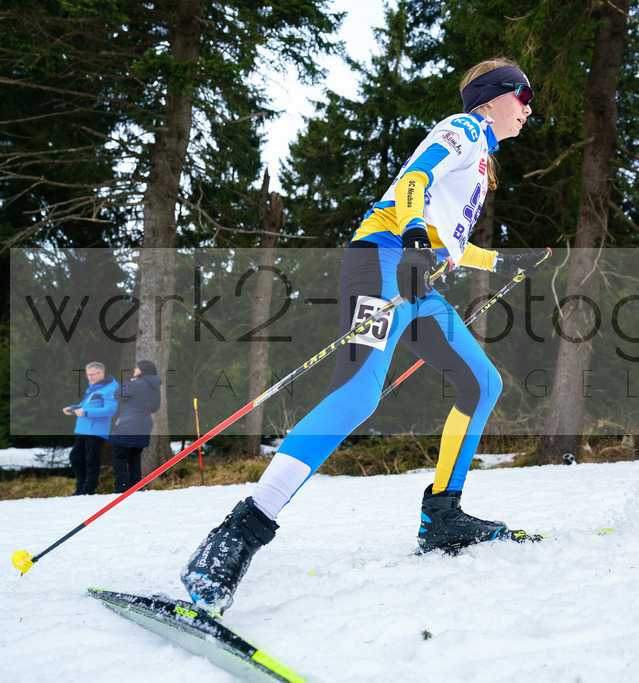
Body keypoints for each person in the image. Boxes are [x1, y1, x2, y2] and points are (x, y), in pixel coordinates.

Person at [180, 57, 550, 611]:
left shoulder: (480, 165)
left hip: (416, 282)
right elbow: (413, 181)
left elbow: (450, 241)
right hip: (383, 263)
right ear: (494, 97)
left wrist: (500, 260)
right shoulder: (465, 128)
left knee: (481, 383)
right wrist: (418, 236)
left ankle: (442, 516)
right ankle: (239, 532)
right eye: (523, 97)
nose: (528, 110)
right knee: (357, 393)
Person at [63, 361, 119, 495]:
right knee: (75, 458)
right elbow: (86, 405)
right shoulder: (94, 388)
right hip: (84, 429)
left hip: (96, 431)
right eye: (88, 375)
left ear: (101, 373)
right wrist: (73, 408)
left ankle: (88, 490)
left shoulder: (110, 388)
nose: (90, 377)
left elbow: (110, 410)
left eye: (93, 374)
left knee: (91, 460)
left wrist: (85, 413)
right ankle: (80, 488)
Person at [109, 361, 162, 493]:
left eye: (137, 367)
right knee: (134, 458)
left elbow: (118, 395)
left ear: (143, 370)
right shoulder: (155, 387)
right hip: (144, 425)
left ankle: (121, 489)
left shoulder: (134, 384)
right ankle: (136, 488)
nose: (134, 369)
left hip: (128, 424)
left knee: (119, 456)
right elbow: (155, 407)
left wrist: (128, 382)